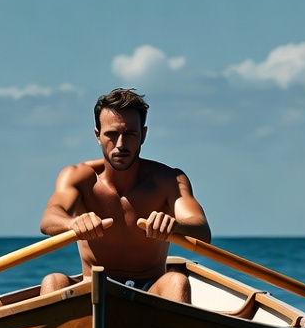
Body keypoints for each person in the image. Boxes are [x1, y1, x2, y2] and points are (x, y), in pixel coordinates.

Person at [39, 88, 211, 302]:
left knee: (177, 281)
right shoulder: (78, 177)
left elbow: (202, 230)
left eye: (130, 134)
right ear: (97, 135)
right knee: (53, 281)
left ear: (143, 135)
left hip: (150, 290)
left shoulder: (168, 180)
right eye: (111, 134)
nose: (120, 145)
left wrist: (175, 225)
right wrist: (73, 223)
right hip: (93, 288)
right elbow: (49, 220)